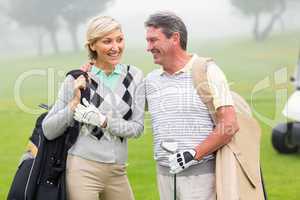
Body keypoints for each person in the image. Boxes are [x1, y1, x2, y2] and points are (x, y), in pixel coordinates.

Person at [42, 15, 145, 200]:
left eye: (119, 40)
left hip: (118, 171)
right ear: (92, 45)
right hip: (82, 169)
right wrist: (73, 104)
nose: (116, 47)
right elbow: (48, 130)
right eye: (107, 41)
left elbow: (137, 128)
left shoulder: (135, 76)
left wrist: (104, 121)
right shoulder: (77, 79)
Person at [144, 11, 239, 200]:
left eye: (153, 40)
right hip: (164, 176)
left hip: (201, 178)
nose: (148, 47)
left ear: (175, 38)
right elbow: (125, 113)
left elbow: (229, 124)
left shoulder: (207, 71)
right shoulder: (151, 80)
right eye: (148, 41)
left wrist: (193, 154)